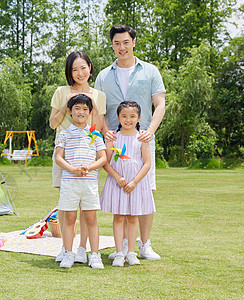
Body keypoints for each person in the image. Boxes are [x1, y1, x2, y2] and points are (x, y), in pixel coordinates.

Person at [95, 24, 165, 260]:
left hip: (141, 141)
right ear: (112, 45)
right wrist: (106, 132)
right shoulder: (104, 75)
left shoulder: (150, 71)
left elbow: (160, 104)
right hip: (114, 142)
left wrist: (149, 131)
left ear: (133, 42)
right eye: (116, 43)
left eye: (125, 42)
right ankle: (123, 246)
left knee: (144, 191)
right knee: (120, 190)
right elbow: (99, 110)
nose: (121, 47)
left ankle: (144, 244)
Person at [49, 51, 106, 264]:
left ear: (90, 68)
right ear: (69, 72)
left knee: (88, 208)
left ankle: (83, 249)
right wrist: (67, 104)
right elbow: (53, 124)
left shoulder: (98, 95)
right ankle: (66, 249)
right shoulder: (60, 91)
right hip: (65, 153)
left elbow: (98, 127)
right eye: (74, 69)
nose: (80, 73)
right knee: (66, 206)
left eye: (83, 67)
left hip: (88, 157)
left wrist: (92, 104)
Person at [100, 101, 155, 266]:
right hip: (118, 184)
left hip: (136, 185)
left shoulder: (142, 138)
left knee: (133, 218)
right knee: (118, 217)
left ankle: (131, 252)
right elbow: (106, 162)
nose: (128, 120)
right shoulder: (113, 137)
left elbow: (147, 163)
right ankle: (119, 252)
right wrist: (117, 177)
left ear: (138, 118)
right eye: (124, 116)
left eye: (132, 116)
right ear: (118, 117)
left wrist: (134, 182)